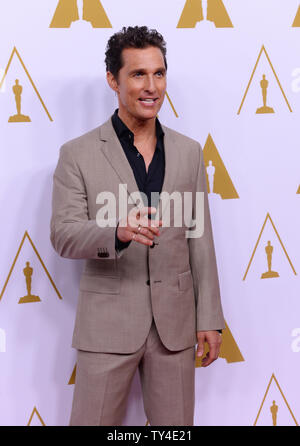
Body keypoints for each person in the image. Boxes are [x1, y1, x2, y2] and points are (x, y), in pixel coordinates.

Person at [50, 26, 225, 426]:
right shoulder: (76, 154)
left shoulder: (189, 152)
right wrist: (116, 231)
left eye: (159, 73)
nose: (152, 87)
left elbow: (200, 239)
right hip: (107, 325)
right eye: (138, 74)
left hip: (175, 329)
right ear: (113, 79)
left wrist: (209, 317)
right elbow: (63, 232)